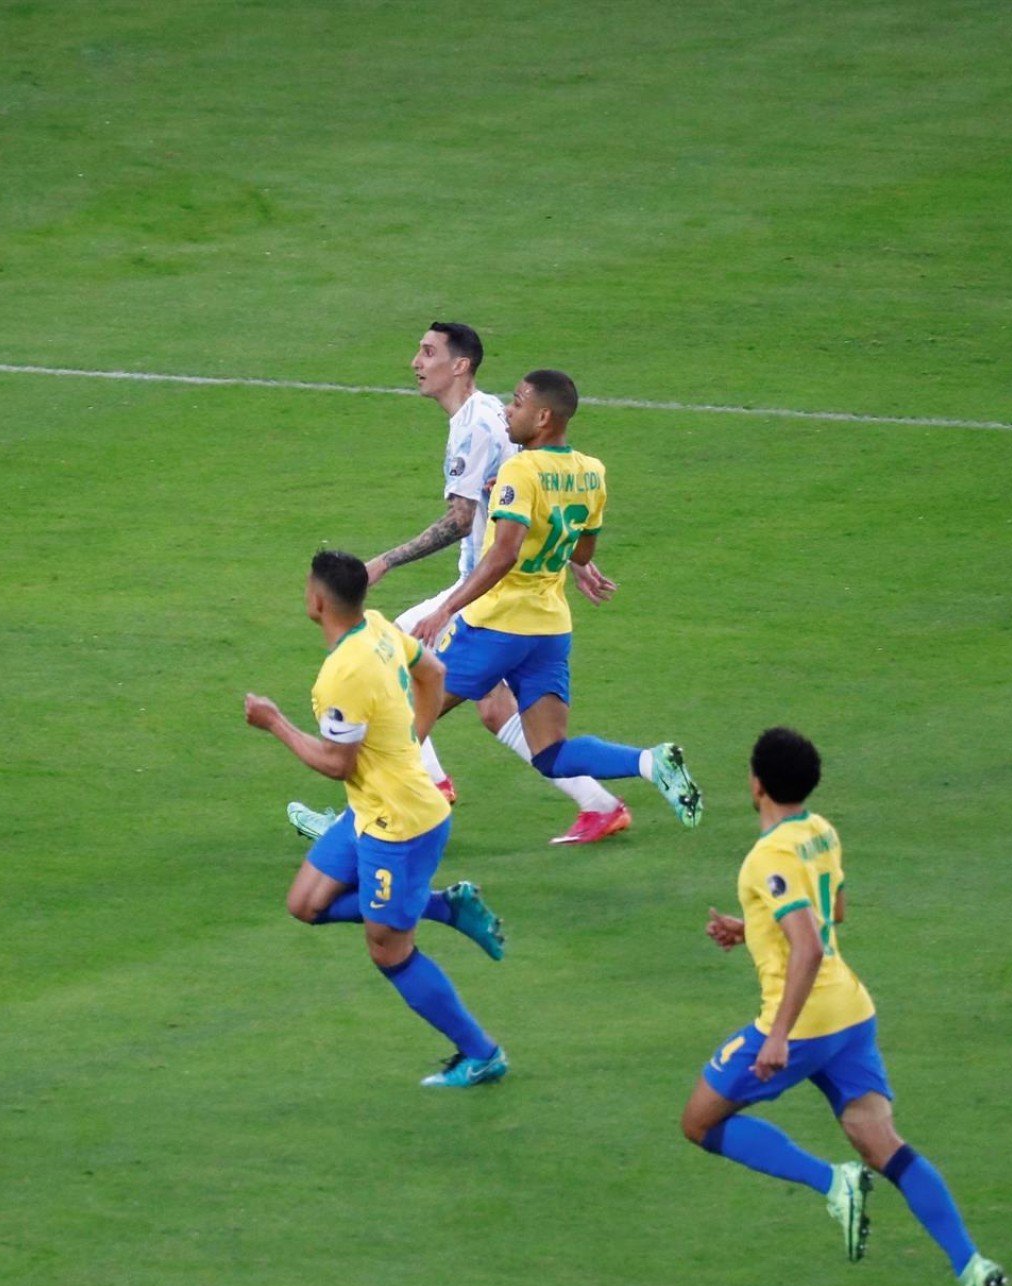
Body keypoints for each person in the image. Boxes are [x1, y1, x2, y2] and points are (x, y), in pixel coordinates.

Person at [679, 728, 1006, 1286]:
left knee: (699, 1121)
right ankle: (971, 1266)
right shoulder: (821, 831)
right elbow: (833, 914)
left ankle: (831, 1182)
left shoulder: (765, 858)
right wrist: (750, 928)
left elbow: (804, 943)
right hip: (851, 1013)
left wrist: (777, 1036)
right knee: (883, 1142)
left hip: (801, 1023)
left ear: (756, 783)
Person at [289, 323, 629, 847]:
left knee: (390, 670)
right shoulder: (495, 411)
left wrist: (385, 562)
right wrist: (569, 560)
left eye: (428, 353)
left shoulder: (474, 425)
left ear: (460, 365)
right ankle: (600, 804)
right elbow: (534, 489)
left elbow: (459, 519)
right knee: (496, 710)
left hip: (488, 593)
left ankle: (391, 805)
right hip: (518, 594)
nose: (415, 363)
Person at [245, 550, 509, 1088]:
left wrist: (274, 723)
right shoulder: (377, 626)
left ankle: (482, 1054)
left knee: (389, 948)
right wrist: (415, 736)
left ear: (317, 601)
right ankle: (443, 907)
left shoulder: (340, 674)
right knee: (305, 905)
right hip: (371, 807)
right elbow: (433, 671)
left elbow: (334, 762)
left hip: (402, 825)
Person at [406, 369, 702, 827]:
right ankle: (650, 762)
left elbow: (502, 555)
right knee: (550, 753)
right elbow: (582, 551)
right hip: (548, 630)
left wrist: (446, 609)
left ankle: (356, 828)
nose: (509, 408)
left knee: (402, 720)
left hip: (494, 625)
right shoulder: (591, 471)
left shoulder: (519, 470)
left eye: (519, 402)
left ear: (543, 416)